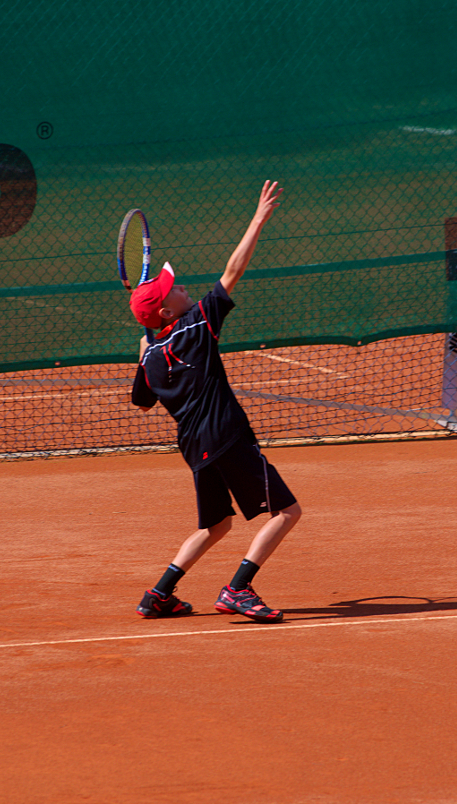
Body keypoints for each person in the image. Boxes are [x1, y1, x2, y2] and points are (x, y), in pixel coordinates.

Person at [130, 180, 302, 623]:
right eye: (173, 288)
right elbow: (233, 271)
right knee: (287, 512)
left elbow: (143, 400)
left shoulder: (149, 356)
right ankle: (238, 589)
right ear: (167, 312)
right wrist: (259, 219)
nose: (181, 285)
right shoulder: (198, 325)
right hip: (225, 437)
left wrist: (143, 354)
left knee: (216, 525)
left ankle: (160, 593)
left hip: (194, 447)